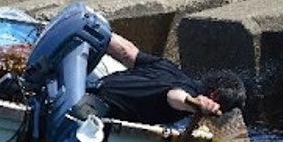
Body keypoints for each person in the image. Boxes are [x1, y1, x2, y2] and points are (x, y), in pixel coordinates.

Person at [88, 33, 243, 123]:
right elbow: (174, 97)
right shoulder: (186, 98)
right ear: (214, 96)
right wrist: (196, 105)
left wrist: (97, 30)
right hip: (96, 104)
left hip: (100, 82)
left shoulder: (168, 66)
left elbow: (127, 52)